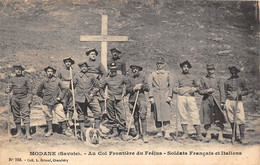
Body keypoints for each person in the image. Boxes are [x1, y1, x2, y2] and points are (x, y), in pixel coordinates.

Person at [171, 60, 204, 141]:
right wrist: (181, 90)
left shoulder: (193, 77)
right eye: (184, 67)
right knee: (182, 114)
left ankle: (199, 134)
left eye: (187, 67)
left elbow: (199, 87)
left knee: (194, 114)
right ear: (182, 68)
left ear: (189, 68)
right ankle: (185, 133)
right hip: (181, 97)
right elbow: (174, 88)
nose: (185, 68)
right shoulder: (178, 77)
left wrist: (194, 89)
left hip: (190, 98)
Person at [37, 66, 72, 137]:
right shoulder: (44, 81)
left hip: (56, 101)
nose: (50, 73)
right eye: (48, 71)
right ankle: (50, 130)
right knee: (48, 115)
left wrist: (60, 97)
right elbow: (38, 91)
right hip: (47, 101)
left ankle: (64, 130)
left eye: (51, 71)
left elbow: (64, 89)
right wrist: (44, 97)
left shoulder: (57, 80)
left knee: (61, 114)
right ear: (46, 73)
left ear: (53, 72)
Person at [100, 62, 130, 141]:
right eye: (111, 70)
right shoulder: (107, 79)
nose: (113, 71)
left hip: (119, 99)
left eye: (114, 70)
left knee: (121, 115)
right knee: (111, 116)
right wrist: (104, 95)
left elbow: (128, 85)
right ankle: (114, 131)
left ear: (116, 70)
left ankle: (122, 132)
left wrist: (125, 93)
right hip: (110, 99)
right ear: (109, 70)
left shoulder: (121, 77)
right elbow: (100, 87)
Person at [73, 62, 102, 140]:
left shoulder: (91, 76)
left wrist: (92, 93)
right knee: (81, 114)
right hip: (80, 98)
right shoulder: (76, 76)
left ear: (87, 68)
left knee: (97, 111)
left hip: (90, 97)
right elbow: (72, 86)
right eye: (82, 67)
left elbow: (97, 86)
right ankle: (83, 132)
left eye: (85, 67)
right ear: (80, 68)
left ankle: (96, 130)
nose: (84, 68)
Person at [198, 64, 226, 143]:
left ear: (214, 70)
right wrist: (207, 91)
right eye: (209, 70)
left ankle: (220, 134)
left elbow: (222, 91)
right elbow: (200, 91)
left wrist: (222, 102)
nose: (210, 71)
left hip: (217, 100)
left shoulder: (219, 79)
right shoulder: (203, 79)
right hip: (206, 100)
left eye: (212, 69)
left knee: (218, 117)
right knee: (207, 118)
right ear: (207, 70)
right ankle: (208, 134)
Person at [148, 57, 173, 140]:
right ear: (156, 64)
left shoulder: (168, 74)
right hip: (156, 95)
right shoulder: (152, 74)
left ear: (163, 64)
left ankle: (166, 132)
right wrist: (151, 96)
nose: (160, 65)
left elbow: (171, 86)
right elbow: (150, 86)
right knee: (157, 113)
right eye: (158, 64)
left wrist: (170, 95)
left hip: (165, 95)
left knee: (166, 113)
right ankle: (159, 131)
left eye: (161, 64)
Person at [5, 65, 33, 140]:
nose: (18, 71)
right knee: (16, 115)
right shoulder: (12, 79)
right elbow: (9, 89)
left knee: (26, 114)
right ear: (14, 70)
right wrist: (7, 90)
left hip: (24, 99)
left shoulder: (26, 79)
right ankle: (19, 132)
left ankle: (27, 133)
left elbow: (30, 90)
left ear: (22, 70)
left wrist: (29, 99)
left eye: (19, 69)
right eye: (16, 69)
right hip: (15, 99)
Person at [224, 66, 249, 144]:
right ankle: (234, 135)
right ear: (230, 71)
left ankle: (242, 137)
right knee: (231, 118)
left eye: (234, 70)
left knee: (240, 118)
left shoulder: (242, 80)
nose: (233, 72)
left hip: (238, 101)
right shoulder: (227, 81)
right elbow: (224, 91)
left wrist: (241, 93)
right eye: (231, 70)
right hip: (229, 101)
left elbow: (247, 90)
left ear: (237, 71)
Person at [128, 65, 149, 143]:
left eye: (136, 69)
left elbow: (147, 88)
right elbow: (127, 89)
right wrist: (133, 89)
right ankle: (138, 134)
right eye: (133, 69)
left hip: (141, 99)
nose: (134, 70)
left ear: (139, 70)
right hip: (132, 100)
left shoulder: (143, 78)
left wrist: (142, 86)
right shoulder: (129, 78)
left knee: (143, 116)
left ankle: (144, 135)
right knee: (135, 117)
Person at [85, 48, 108, 115]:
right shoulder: (85, 63)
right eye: (92, 54)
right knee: (87, 96)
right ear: (88, 55)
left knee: (100, 96)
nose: (93, 55)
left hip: (97, 81)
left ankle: (103, 112)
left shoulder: (99, 63)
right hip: (88, 82)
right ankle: (85, 116)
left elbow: (104, 73)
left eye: (94, 54)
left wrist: (102, 81)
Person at [57, 57, 75, 126]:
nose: (68, 63)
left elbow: (76, 80)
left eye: (69, 62)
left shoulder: (73, 71)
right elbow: (57, 80)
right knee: (64, 105)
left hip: (71, 90)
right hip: (63, 91)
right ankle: (64, 121)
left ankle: (70, 119)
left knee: (71, 105)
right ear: (64, 63)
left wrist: (72, 80)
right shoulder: (61, 71)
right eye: (67, 62)